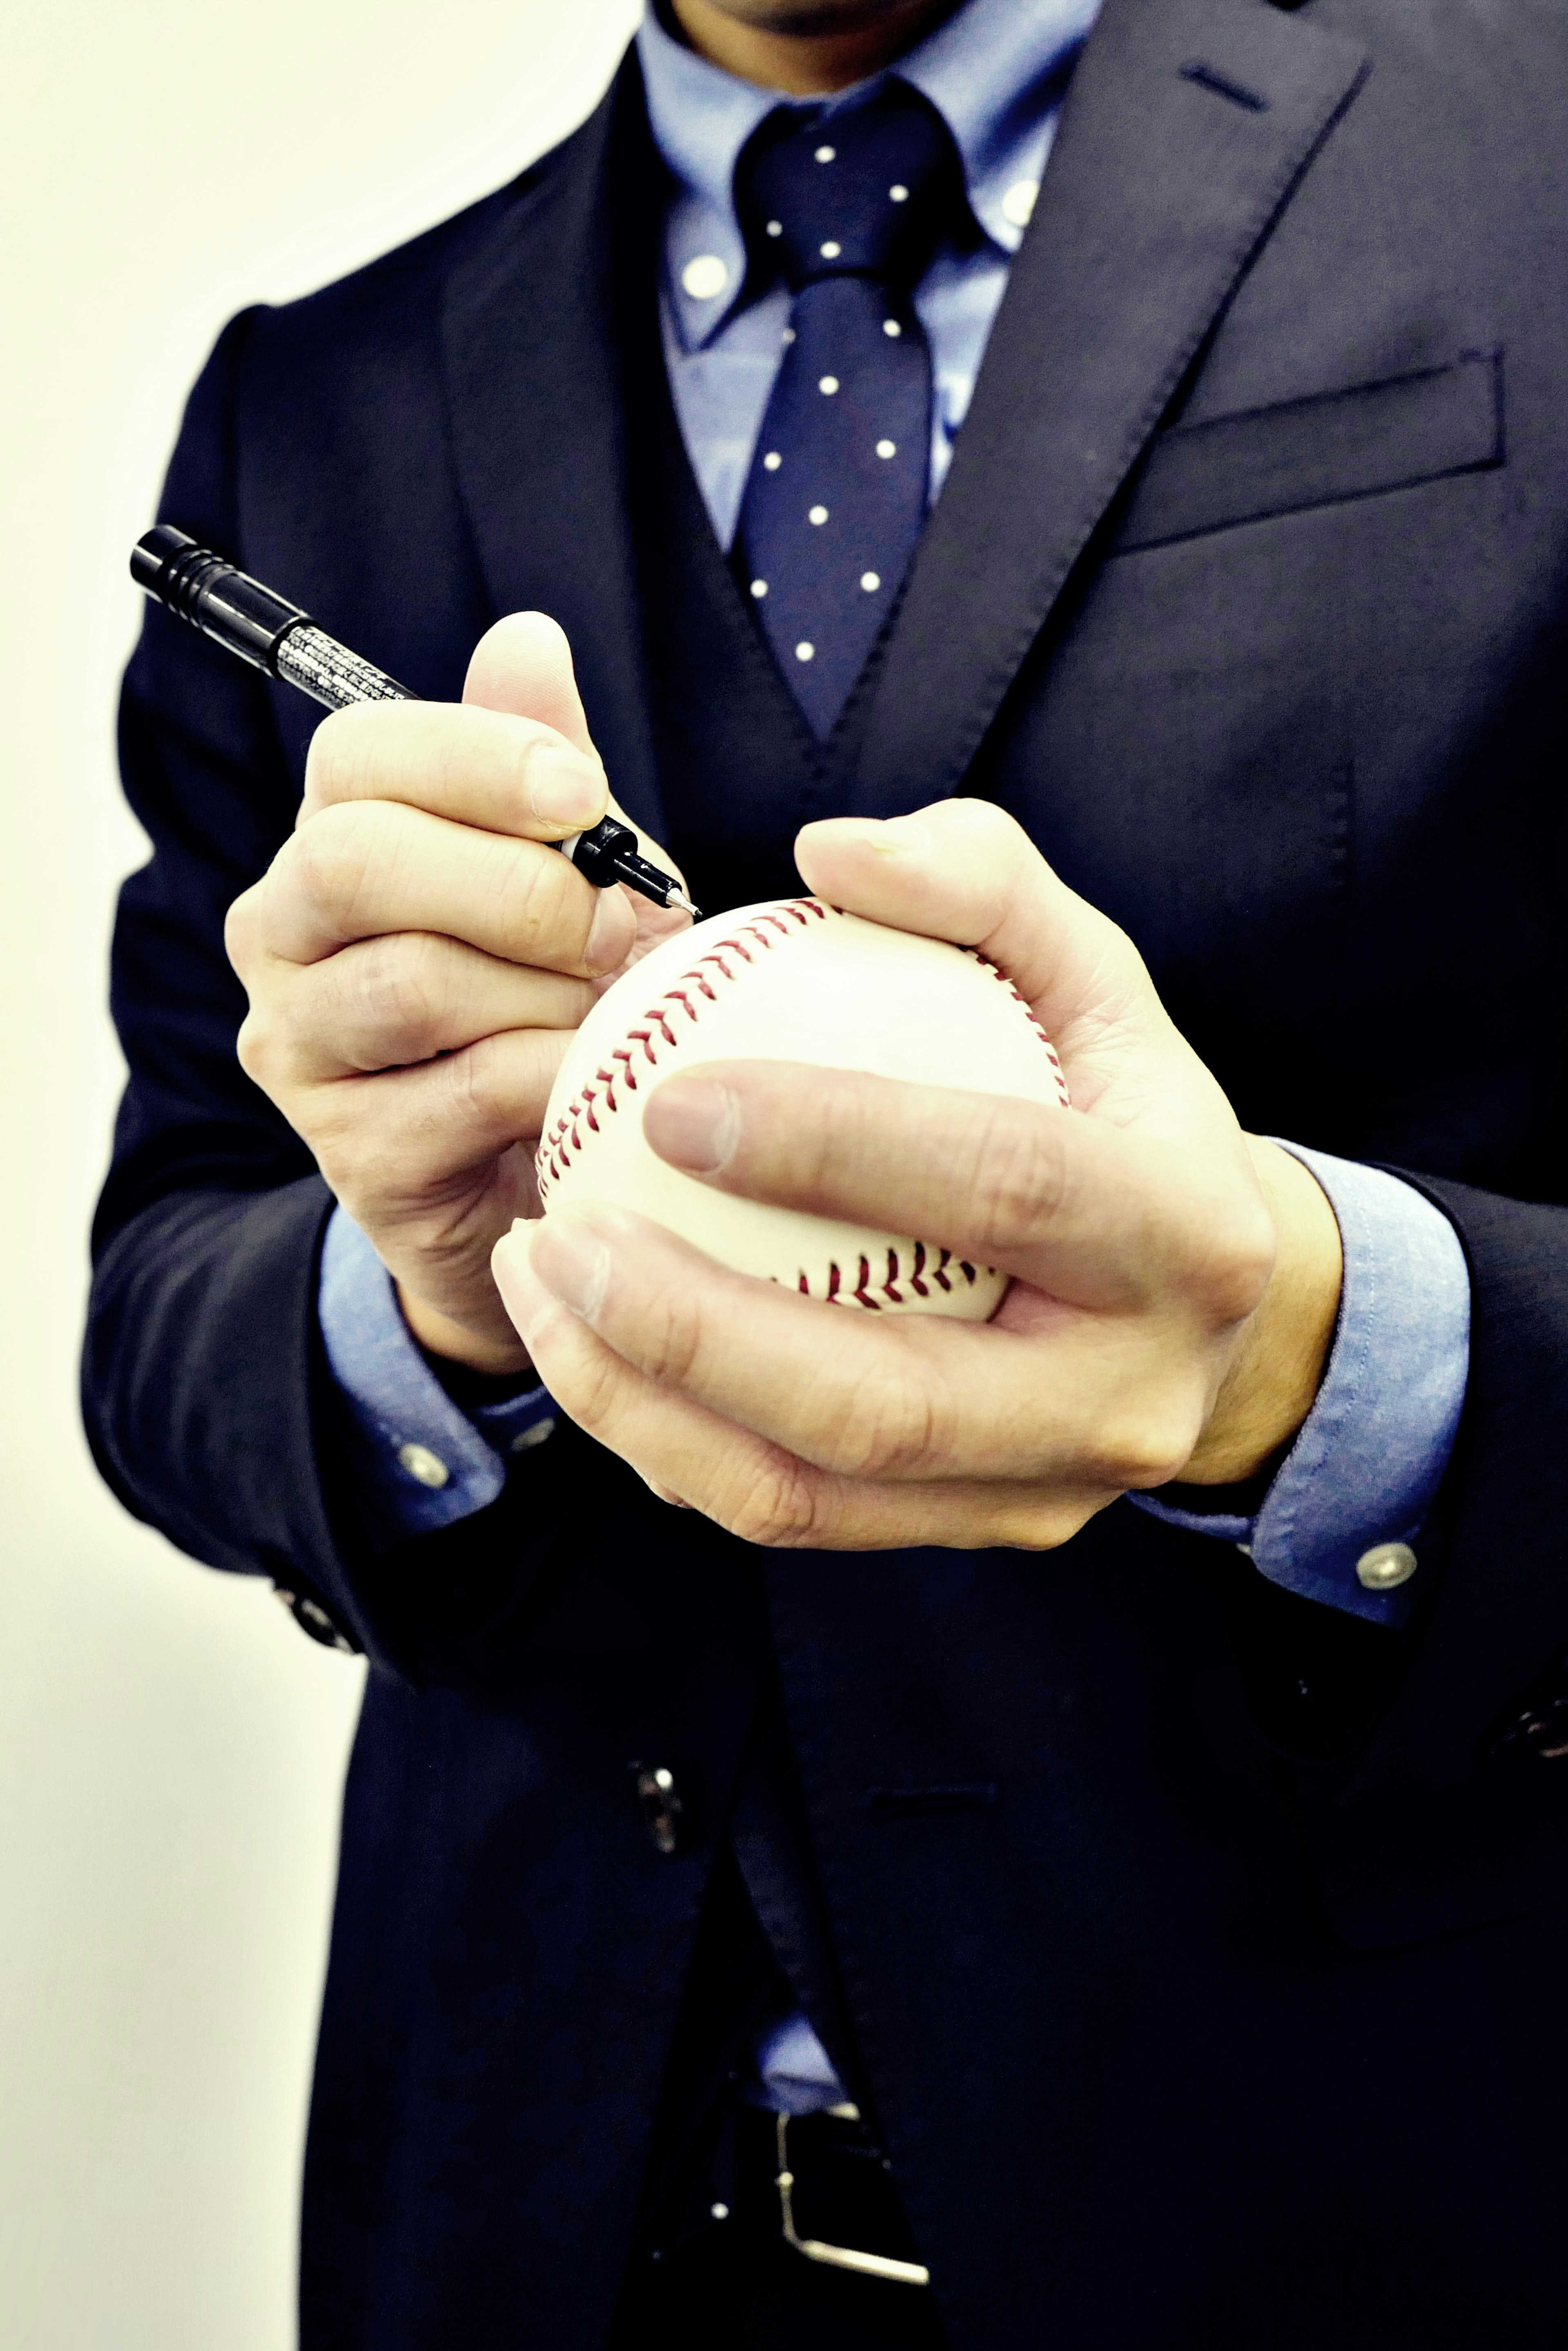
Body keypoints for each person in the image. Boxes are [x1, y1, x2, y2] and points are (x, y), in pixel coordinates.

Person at [85, 0, 1568, 2341]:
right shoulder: (324, 403)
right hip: (535, 2225)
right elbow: (161, 1285)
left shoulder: (1528, 152)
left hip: (1375, 2210)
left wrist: (1323, 1347)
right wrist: (434, 1298)